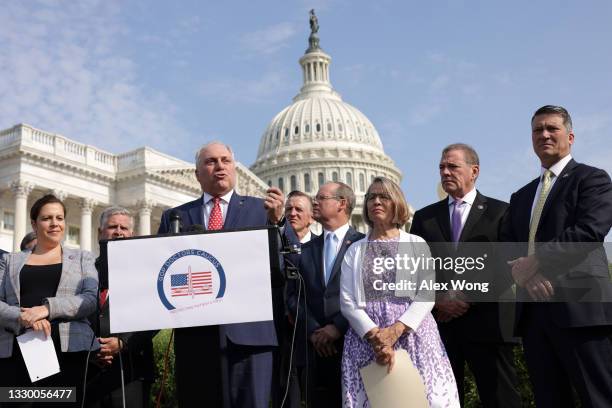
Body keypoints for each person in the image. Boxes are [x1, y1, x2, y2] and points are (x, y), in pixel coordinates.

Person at [157, 141, 284, 408]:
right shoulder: (175, 217)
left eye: (226, 160)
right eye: (211, 161)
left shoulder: (262, 211)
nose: (220, 167)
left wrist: (276, 225)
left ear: (235, 168)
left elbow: (280, 270)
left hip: (250, 338)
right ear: (197, 174)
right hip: (196, 341)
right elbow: (163, 273)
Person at [501, 105, 612, 407]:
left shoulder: (592, 179)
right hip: (535, 317)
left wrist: (535, 264)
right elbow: (508, 246)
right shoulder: (521, 196)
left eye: (552, 128)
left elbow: (589, 232)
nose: (544, 134)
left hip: (580, 311)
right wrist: (523, 273)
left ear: (570, 136)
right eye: (538, 130)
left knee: (598, 398)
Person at [410, 144, 521, 407]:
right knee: (442, 399)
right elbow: (413, 270)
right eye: (441, 167)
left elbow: (508, 267)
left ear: (474, 171)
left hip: (490, 324)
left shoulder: (502, 212)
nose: (445, 172)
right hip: (440, 327)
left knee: (501, 399)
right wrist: (437, 299)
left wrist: (465, 298)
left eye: (453, 166)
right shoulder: (424, 218)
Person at [340, 177, 459, 407]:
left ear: (397, 203)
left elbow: (426, 294)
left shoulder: (416, 244)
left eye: (383, 196)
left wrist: (395, 331)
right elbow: (347, 301)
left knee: (425, 399)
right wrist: (376, 337)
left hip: (414, 337)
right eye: (371, 197)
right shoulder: (354, 250)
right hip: (366, 343)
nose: (376, 201)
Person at [0, 194, 98, 403]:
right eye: (47, 218)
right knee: (17, 404)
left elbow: (90, 299)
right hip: (15, 351)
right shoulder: (9, 261)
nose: (55, 223)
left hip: (69, 353)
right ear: (34, 224)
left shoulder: (83, 258)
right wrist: (23, 316)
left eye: (59, 218)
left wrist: (46, 309)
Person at [286, 182, 364, 407]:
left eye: (321, 198)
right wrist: (313, 331)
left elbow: (368, 294)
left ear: (342, 204)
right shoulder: (306, 249)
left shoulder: (363, 245)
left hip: (353, 343)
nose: (314, 202)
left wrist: (338, 327)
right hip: (315, 350)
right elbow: (294, 296)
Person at [86, 206, 155, 408]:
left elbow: (154, 316)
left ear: (131, 234)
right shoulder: (85, 270)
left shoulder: (147, 272)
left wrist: (123, 342)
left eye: (124, 228)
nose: (118, 232)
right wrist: (91, 348)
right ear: (100, 232)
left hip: (131, 372)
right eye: (112, 227)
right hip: (90, 371)